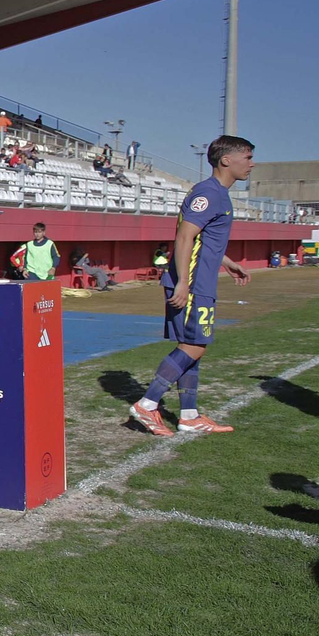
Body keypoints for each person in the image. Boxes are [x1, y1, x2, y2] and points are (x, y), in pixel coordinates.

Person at [129, 136, 254, 437]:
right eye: (247, 157)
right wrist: (184, 282)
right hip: (194, 284)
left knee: (194, 346)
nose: (252, 163)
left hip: (200, 281)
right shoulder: (209, 193)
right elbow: (184, 237)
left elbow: (202, 240)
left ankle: (189, 416)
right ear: (226, 160)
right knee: (195, 345)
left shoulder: (217, 194)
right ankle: (147, 404)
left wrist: (227, 262)